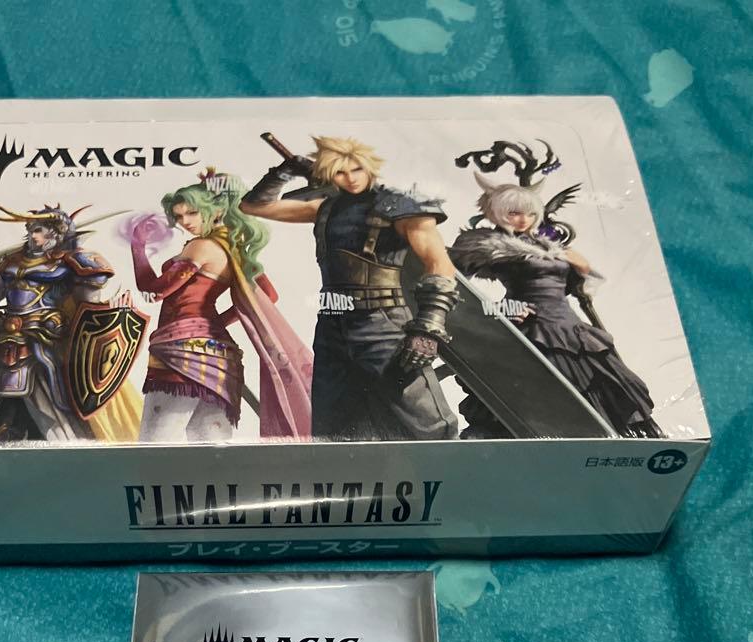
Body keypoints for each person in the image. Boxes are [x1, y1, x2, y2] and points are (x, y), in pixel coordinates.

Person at [241, 135, 461, 442]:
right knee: (334, 423)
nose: (350, 178)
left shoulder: (401, 206)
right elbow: (253, 206)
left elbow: (440, 265)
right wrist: (285, 171)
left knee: (424, 420)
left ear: (369, 167)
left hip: (382, 322)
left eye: (356, 169)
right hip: (332, 324)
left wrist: (428, 328)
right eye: (340, 173)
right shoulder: (325, 208)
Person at [449, 174, 663, 438]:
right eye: (514, 213)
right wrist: (498, 310)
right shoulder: (488, 245)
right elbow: (449, 283)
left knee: (607, 383)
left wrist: (572, 262)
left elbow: (580, 277)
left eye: (530, 213)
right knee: (543, 389)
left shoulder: (546, 243)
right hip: (531, 329)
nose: (523, 219)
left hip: (569, 327)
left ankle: (609, 440)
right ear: (496, 211)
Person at [0, 203, 142, 445]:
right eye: (30, 230)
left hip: (45, 345)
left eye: (38, 230)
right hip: (6, 343)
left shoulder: (66, 266)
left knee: (54, 407)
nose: (32, 235)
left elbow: (89, 309)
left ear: (56, 234)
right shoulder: (12, 266)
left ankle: (67, 447)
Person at [129, 172, 312, 443]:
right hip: (221, 357)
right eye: (179, 216)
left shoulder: (201, 246)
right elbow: (269, 294)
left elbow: (154, 291)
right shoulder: (236, 250)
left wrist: (137, 246)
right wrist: (215, 323)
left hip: (181, 353)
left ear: (216, 210)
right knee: (211, 447)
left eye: (192, 212)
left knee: (154, 443)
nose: (185, 222)